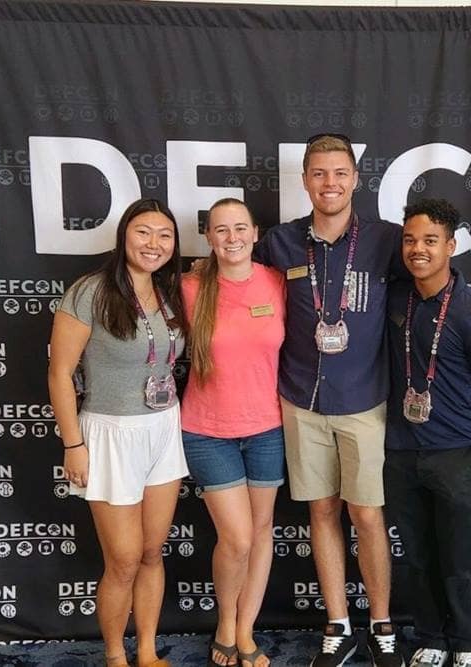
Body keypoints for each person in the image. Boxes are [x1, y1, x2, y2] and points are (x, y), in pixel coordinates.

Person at [252, 134, 471, 667]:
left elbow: (434, 272)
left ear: (355, 179)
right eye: (319, 173)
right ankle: (338, 625)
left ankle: (382, 624)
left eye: (340, 173)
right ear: (304, 180)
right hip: (300, 400)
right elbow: (235, 278)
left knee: (368, 518)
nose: (330, 183)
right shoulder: (280, 241)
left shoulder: (387, 240)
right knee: (322, 512)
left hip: (366, 402)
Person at [48, 198, 189, 667]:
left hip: (164, 427)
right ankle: (115, 657)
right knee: (124, 559)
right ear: (124, 236)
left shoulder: (171, 292)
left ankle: (147, 652)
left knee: (152, 552)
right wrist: (73, 444)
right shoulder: (89, 291)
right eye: (143, 232)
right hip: (109, 433)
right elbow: (60, 373)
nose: (154, 244)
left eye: (165, 235)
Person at [383, 199, 471, 667]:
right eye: (411, 239)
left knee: (459, 558)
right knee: (416, 556)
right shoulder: (394, 294)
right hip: (399, 451)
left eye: (431, 241)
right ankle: (430, 637)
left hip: (456, 452)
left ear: (451, 246)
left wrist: (453, 415)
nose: (419, 249)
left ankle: (467, 643)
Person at [180, 199, 285, 667]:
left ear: (256, 232)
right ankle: (225, 622)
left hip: (267, 429)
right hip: (207, 431)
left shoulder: (279, 282)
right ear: (208, 237)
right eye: (221, 229)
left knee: (261, 533)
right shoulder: (187, 287)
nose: (232, 237)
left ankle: (245, 631)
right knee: (238, 539)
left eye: (240, 227)